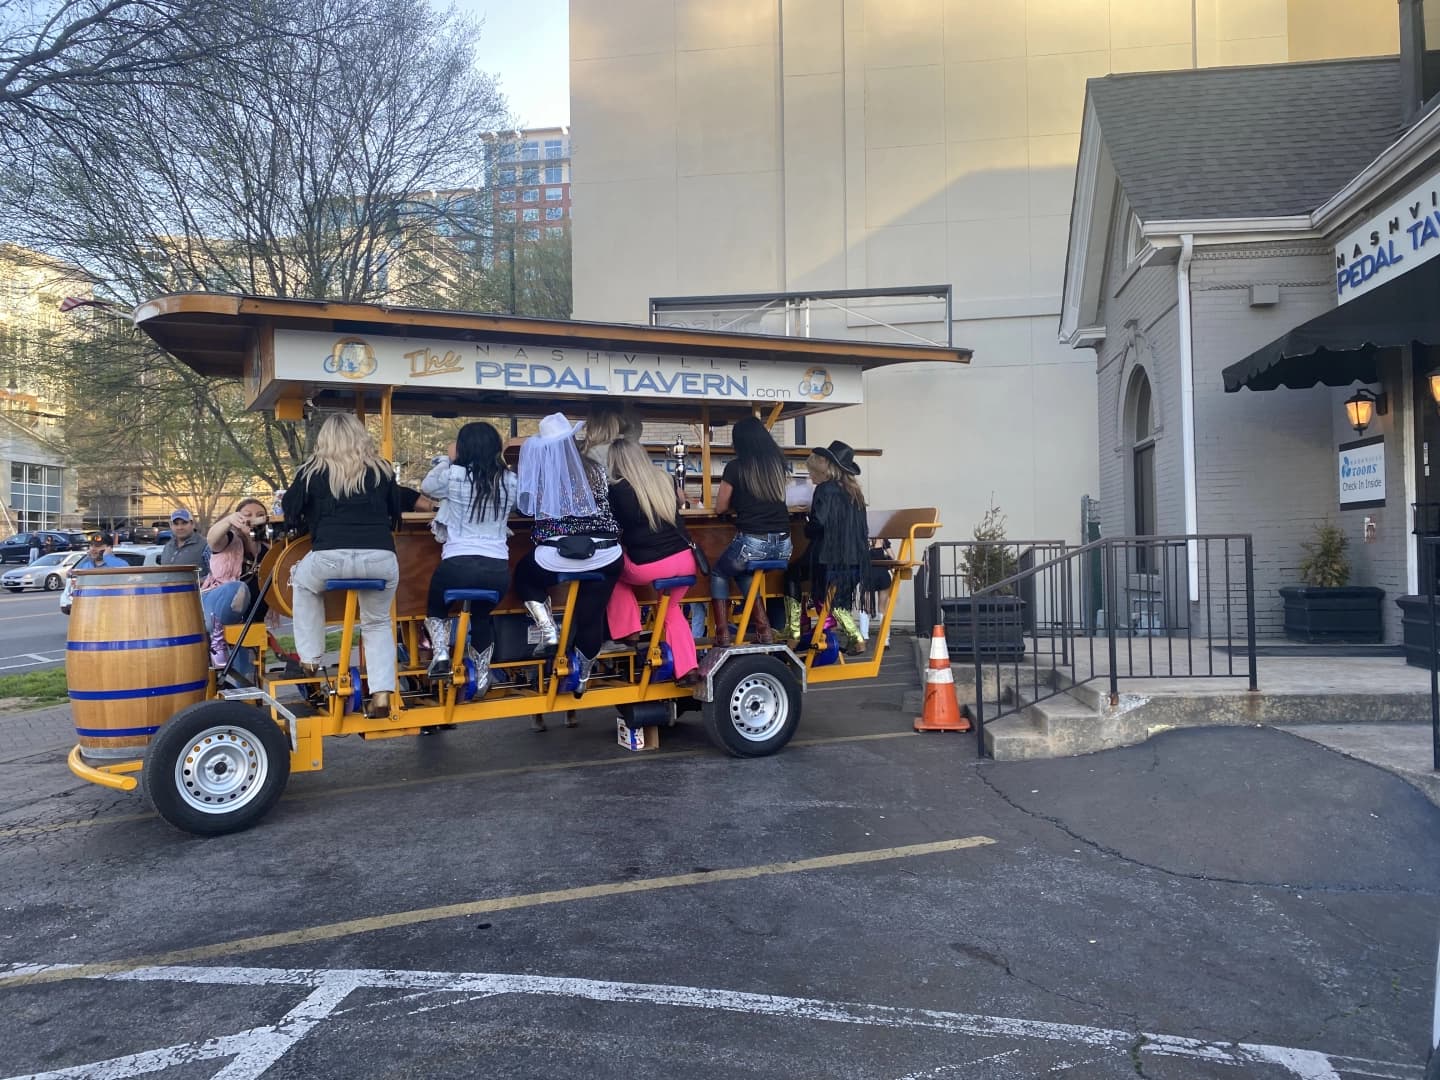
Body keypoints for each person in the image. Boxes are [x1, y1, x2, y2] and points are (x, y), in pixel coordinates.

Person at [282, 413, 402, 718]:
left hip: (329, 557)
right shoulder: (382, 471)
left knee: (303, 582)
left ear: (324, 439)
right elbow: (395, 514)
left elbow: (290, 510)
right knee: (377, 623)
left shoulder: (312, 471)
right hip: (380, 558)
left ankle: (310, 657)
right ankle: (383, 694)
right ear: (361, 436)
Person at [514, 410, 622, 697]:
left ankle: (548, 629)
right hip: (606, 552)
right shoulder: (596, 468)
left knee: (524, 577)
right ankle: (583, 677)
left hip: (557, 553)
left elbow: (525, 507)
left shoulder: (542, 472)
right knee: (591, 615)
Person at [419, 421, 518, 694]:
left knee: (436, 606)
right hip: (497, 568)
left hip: (457, 564)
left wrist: (449, 461)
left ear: (463, 447)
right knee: (482, 617)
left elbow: (427, 487)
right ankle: (482, 675)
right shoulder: (509, 480)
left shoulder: (454, 476)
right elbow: (523, 505)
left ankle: (440, 653)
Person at [605, 437, 701, 687]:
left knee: (609, 566)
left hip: (650, 564)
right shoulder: (664, 479)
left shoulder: (617, 489)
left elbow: (613, 527)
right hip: (685, 559)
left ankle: (629, 630)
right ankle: (688, 669)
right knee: (670, 609)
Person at [710, 416, 792, 645]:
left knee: (719, 572)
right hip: (784, 545)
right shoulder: (777, 465)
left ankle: (723, 633)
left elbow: (720, 507)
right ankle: (764, 630)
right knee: (744, 572)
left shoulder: (735, 467)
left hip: (753, 543)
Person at [790, 440, 871, 654]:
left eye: (813, 473)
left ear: (825, 469)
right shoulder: (855, 492)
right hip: (853, 560)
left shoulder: (825, 490)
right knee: (836, 602)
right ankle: (856, 637)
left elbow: (819, 524)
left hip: (828, 559)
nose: (811, 477)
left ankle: (795, 631)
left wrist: (807, 526)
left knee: (791, 575)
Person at [200, 498, 270, 679]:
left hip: (249, 625)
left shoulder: (269, 551)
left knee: (245, 680)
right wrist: (227, 521)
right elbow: (212, 540)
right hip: (216, 609)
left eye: (260, 515)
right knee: (238, 589)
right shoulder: (228, 540)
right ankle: (218, 641)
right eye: (247, 515)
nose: (253, 519)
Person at [159, 508, 209, 576]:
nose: (180, 527)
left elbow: (214, 576)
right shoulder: (168, 546)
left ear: (192, 524)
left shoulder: (205, 546)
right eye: (176, 524)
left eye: (184, 523)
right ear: (171, 526)